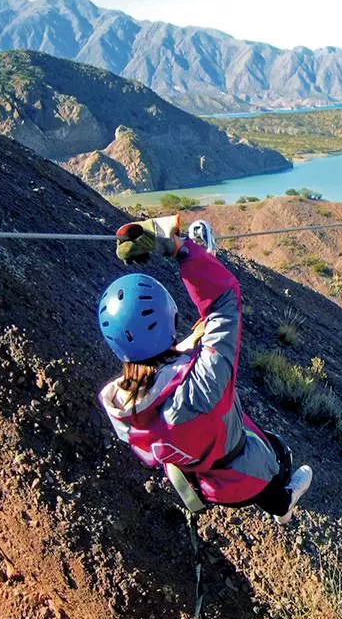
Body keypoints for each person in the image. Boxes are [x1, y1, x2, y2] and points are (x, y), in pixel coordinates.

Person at [98, 215, 312, 523]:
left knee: (251, 461)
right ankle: (284, 506)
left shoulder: (123, 408)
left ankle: (277, 503)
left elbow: (172, 365)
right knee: (276, 456)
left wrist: (190, 342)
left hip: (206, 484)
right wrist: (180, 249)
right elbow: (224, 302)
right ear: (170, 317)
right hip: (244, 472)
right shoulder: (201, 386)